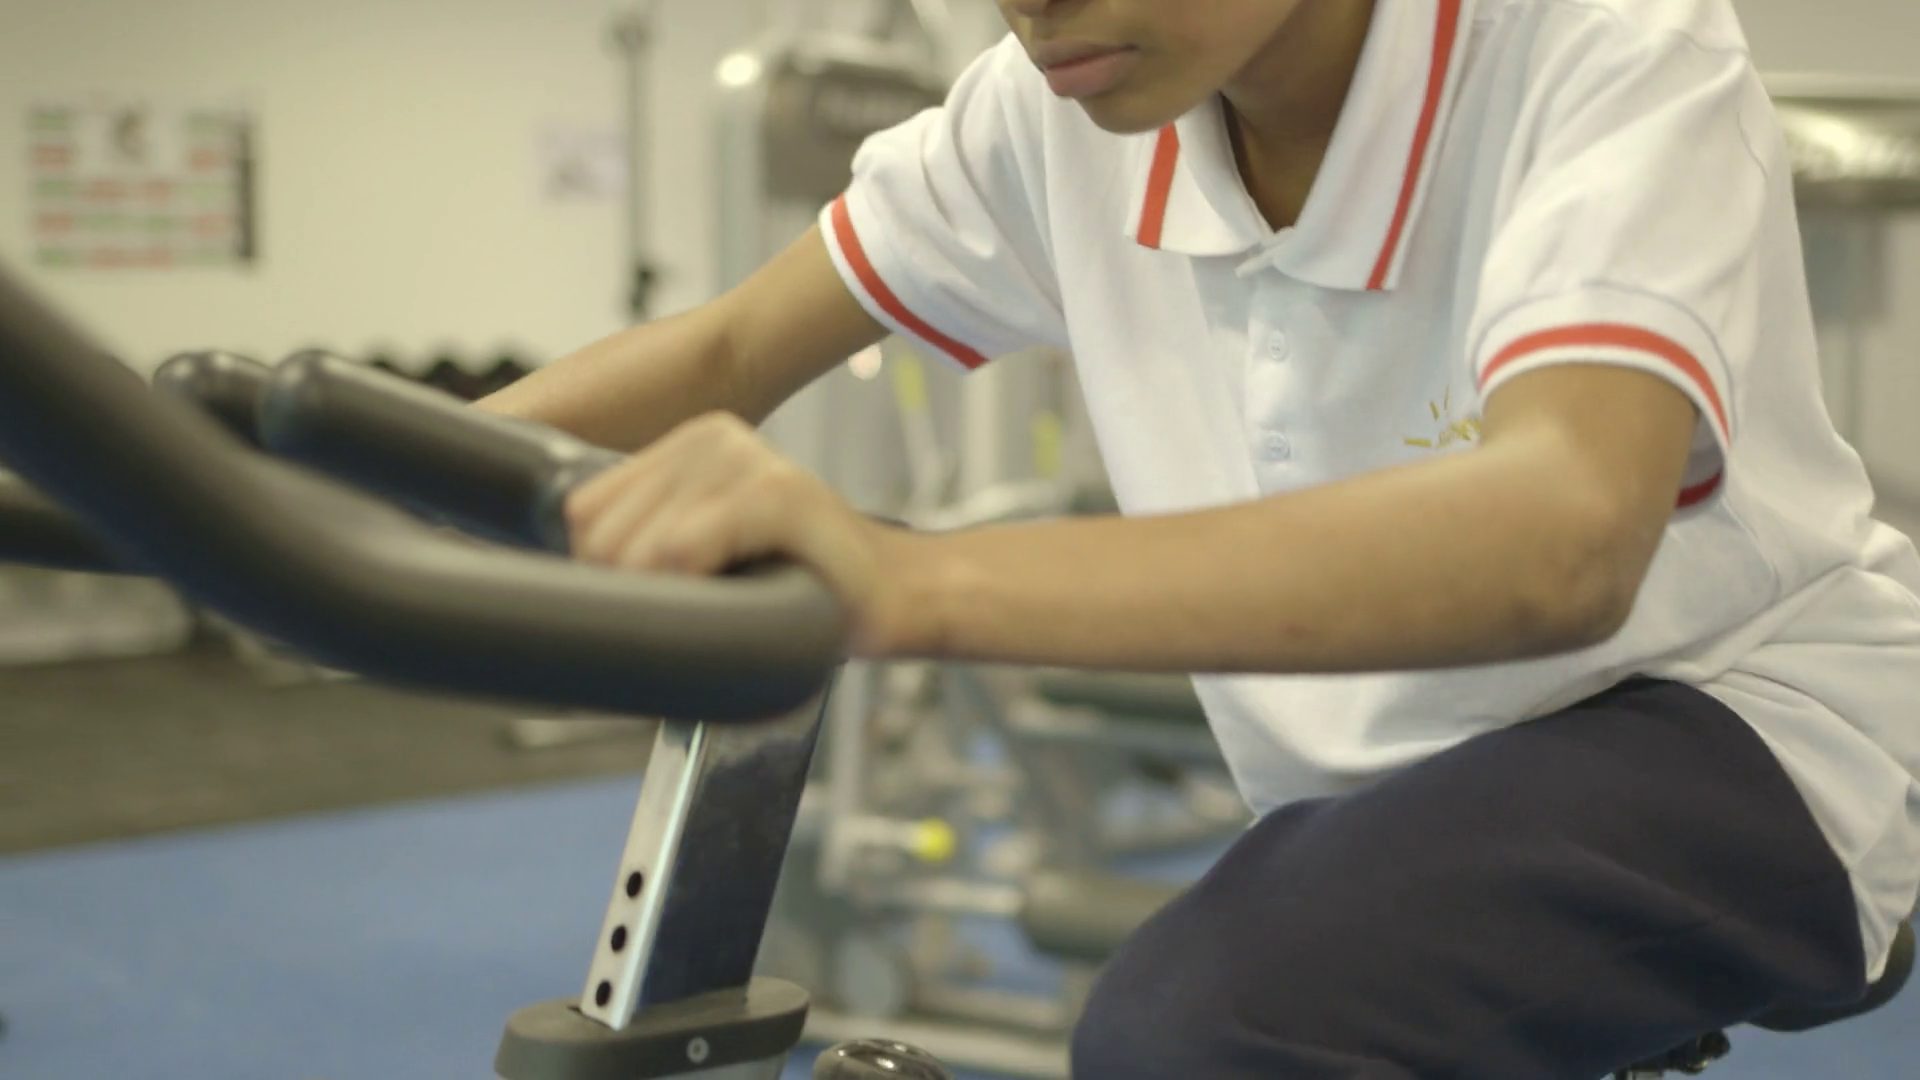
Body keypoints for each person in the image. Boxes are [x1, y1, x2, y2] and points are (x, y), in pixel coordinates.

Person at [480, 0, 1920, 1075]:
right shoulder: (1052, 113)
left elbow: (1564, 538)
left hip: (1741, 732)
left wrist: (906, 582)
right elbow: (730, 350)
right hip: (1378, 797)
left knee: (1201, 1033)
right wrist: (378, 483)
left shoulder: (1603, 42)